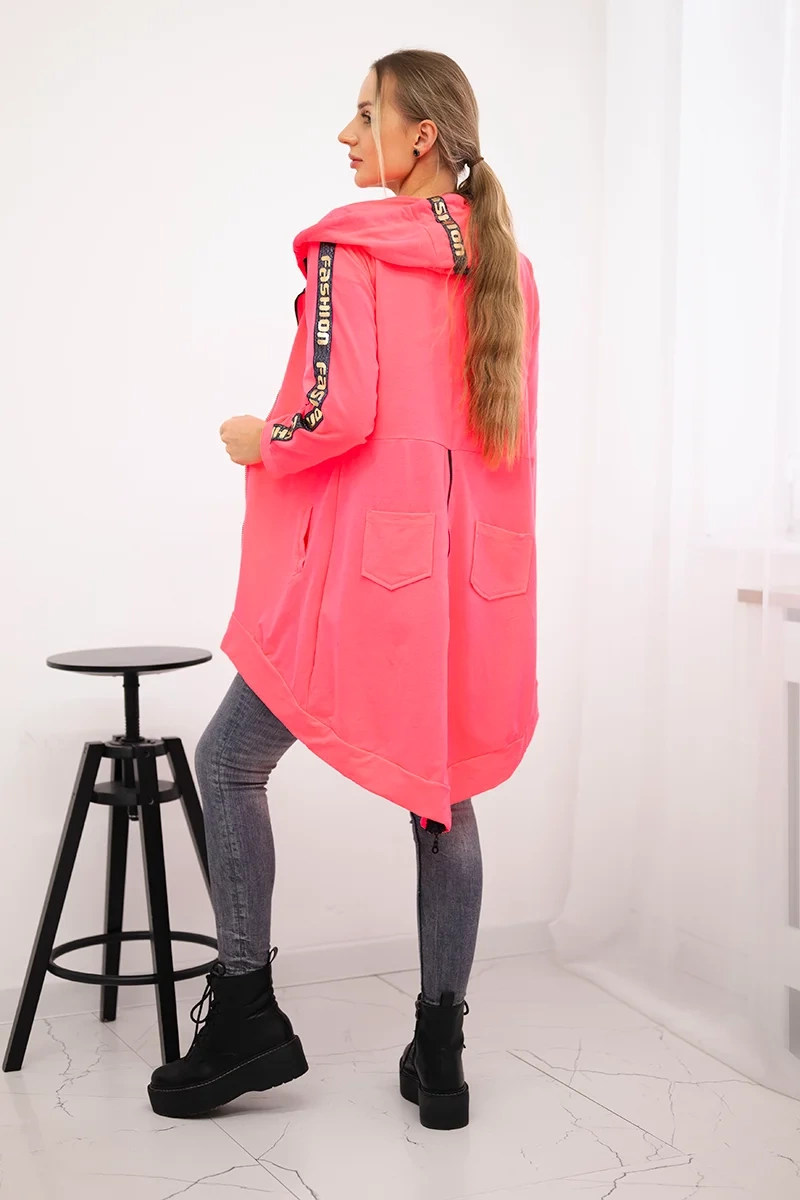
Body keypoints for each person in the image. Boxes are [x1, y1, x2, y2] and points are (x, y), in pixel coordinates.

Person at [147, 48, 539, 1131]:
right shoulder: (507, 262)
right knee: (442, 794)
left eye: (366, 114)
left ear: (421, 136)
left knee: (227, 762)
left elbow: (333, 413)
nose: (346, 134)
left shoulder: (349, 248)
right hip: (473, 583)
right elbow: (506, 443)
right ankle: (441, 1055)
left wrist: (256, 439)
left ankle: (244, 1014)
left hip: (373, 578)